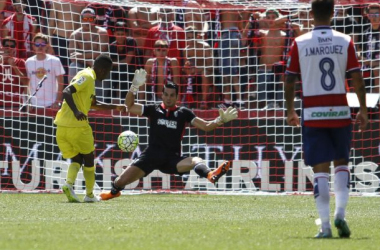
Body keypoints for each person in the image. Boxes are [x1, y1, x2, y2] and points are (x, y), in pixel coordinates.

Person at [284, 0, 368, 238]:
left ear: (311, 14)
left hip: (313, 113)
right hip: (340, 112)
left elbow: (289, 81)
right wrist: (362, 109)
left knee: (320, 168)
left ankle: (326, 226)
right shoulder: (345, 40)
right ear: (333, 13)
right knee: (341, 164)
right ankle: (340, 213)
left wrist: (290, 110)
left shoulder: (300, 43)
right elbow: (357, 78)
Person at [99, 69, 238, 200]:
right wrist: (134, 86)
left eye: (172, 95)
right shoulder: (153, 109)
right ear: (162, 95)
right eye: (166, 94)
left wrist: (220, 120)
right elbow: (129, 106)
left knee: (196, 160)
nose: (169, 98)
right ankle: (113, 192)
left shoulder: (184, 113)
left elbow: (206, 127)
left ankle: (210, 174)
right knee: (119, 182)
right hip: (151, 157)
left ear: (177, 97)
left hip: (172, 160)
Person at [54, 54, 126, 202]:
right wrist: (76, 111)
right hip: (78, 126)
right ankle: (89, 195)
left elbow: (93, 104)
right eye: (108, 71)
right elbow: (67, 91)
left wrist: (115, 106)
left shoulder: (88, 78)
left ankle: (68, 184)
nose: (107, 75)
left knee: (76, 158)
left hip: (62, 127)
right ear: (101, 69)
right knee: (88, 159)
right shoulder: (87, 76)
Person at [25, 33, 64, 110]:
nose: (40, 46)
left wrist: (58, 101)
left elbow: (61, 82)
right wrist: (29, 101)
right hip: (34, 105)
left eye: (43, 44)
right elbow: (27, 83)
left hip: (52, 104)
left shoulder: (55, 61)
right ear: (33, 46)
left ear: (47, 46)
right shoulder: (28, 62)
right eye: (37, 44)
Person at [0, 36, 28, 107]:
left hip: (16, 104)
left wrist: (14, 66)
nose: (9, 49)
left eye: (12, 46)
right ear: (2, 48)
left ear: (15, 49)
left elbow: (25, 82)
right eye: (6, 46)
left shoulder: (20, 62)